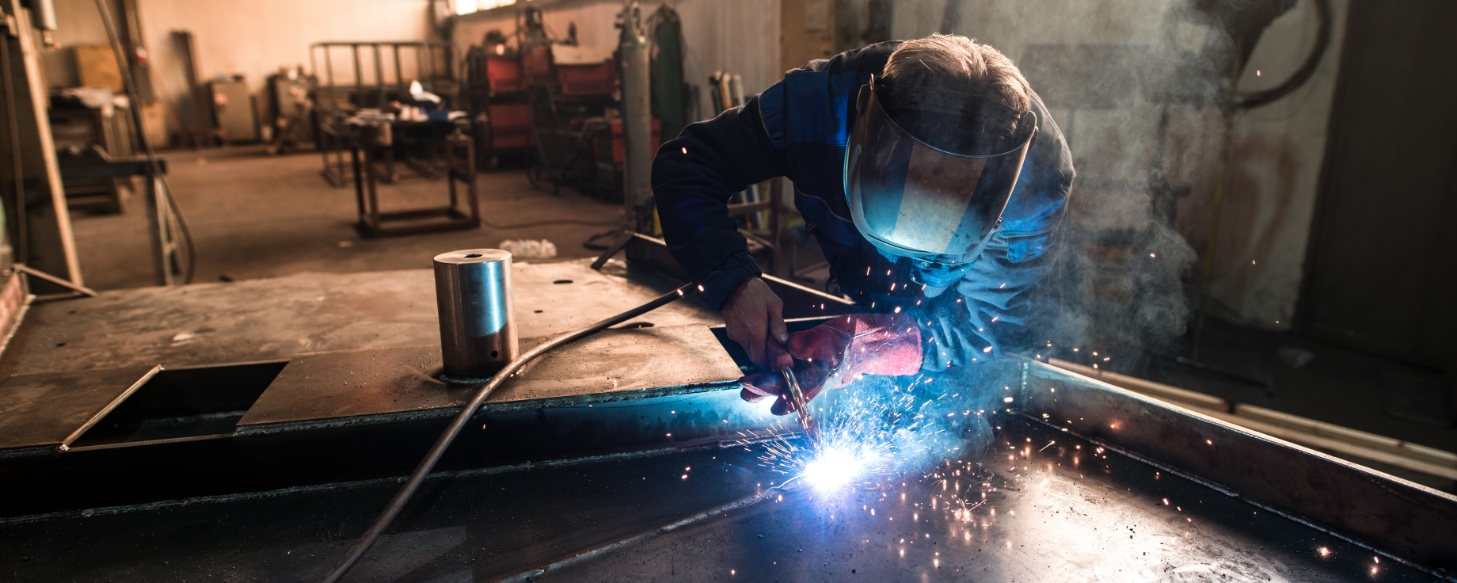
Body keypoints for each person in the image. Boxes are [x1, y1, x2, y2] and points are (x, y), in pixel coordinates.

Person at [652, 34, 1074, 415]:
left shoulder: (1033, 185)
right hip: (859, 278)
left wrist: (864, 349)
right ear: (861, 140)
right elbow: (687, 166)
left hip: (955, 342)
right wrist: (733, 282)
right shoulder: (817, 106)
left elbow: (990, 327)